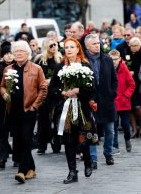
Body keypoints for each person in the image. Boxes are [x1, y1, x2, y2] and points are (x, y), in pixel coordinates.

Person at [49, 37, 96, 184]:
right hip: (66, 108)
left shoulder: (85, 66)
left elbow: (92, 88)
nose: (69, 50)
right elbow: (53, 88)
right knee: (69, 141)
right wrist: (63, 92)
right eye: (66, 47)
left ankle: (88, 161)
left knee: (83, 139)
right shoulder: (60, 66)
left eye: (72, 47)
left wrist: (78, 90)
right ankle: (72, 172)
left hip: (82, 107)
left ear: (78, 49)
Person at [0, 40, 47, 184]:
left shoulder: (36, 68)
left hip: (29, 110)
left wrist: (34, 106)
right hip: (13, 111)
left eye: (21, 51)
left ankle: (21, 171)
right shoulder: (8, 69)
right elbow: (1, 86)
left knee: (26, 139)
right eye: (16, 51)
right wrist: (4, 94)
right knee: (20, 141)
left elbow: (43, 89)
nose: (18, 53)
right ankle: (31, 168)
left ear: (28, 53)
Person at [84, 34, 118, 167]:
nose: (97, 46)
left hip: (107, 100)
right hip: (91, 101)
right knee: (92, 131)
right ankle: (93, 159)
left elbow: (114, 80)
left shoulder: (107, 59)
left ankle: (108, 153)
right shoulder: (83, 61)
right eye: (94, 44)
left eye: (98, 43)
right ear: (87, 46)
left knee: (110, 130)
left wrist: (112, 93)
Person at [34, 38, 61, 154]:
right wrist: (44, 81)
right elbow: (35, 75)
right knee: (43, 119)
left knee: (57, 118)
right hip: (44, 92)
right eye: (51, 45)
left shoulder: (59, 58)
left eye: (55, 45)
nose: (54, 47)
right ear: (46, 47)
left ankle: (57, 143)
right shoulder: (39, 60)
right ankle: (42, 145)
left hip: (55, 92)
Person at [109, 50, 135, 154]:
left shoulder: (124, 69)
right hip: (113, 103)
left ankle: (127, 139)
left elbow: (131, 85)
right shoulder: (107, 70)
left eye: (115, 59)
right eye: (112, 59)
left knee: (125, 125)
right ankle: (115, 147)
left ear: (119, 59)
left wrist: (126, 96)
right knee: (113, 127)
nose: (114, 61)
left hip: (124, 103)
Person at [128, 37, 141, 138]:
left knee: (138, 107)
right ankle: (134, 129)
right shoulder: (127, 53)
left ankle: (140, 127)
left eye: (136, 45)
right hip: (128, 84)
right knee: (130, 107)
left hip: (139, 84)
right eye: (132, 45)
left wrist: (134, 73)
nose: (133, 47)